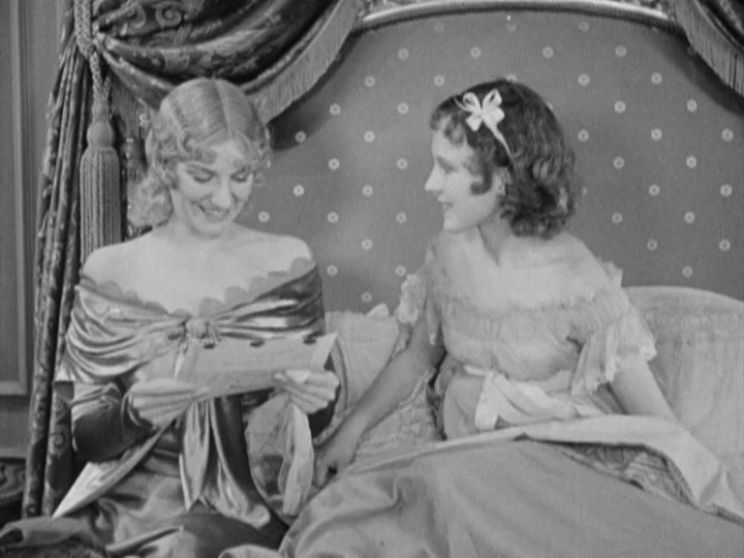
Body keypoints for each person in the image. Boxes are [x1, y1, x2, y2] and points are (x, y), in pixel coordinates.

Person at [229, 78, 743, 557]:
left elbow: (655, 421)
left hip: (550, 467)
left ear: (502, 180)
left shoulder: (578, 282)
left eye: (448, 169)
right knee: (361, 507)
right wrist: (350, 432)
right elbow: (416, 359)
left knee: (433, 490)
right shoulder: (448, 255)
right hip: (471, 459)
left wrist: (706, 491)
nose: (431, 184)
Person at [0, 77, 338, 557]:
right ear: (166, 166)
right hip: (123, 510)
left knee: (188, 546)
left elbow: (317, 416)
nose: (224, 198)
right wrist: (130, 414)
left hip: (247, 508)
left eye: (240, 176)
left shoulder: (289, 263)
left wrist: (315, 399)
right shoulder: (111, 271)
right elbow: (87, 440)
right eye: (203, 175)